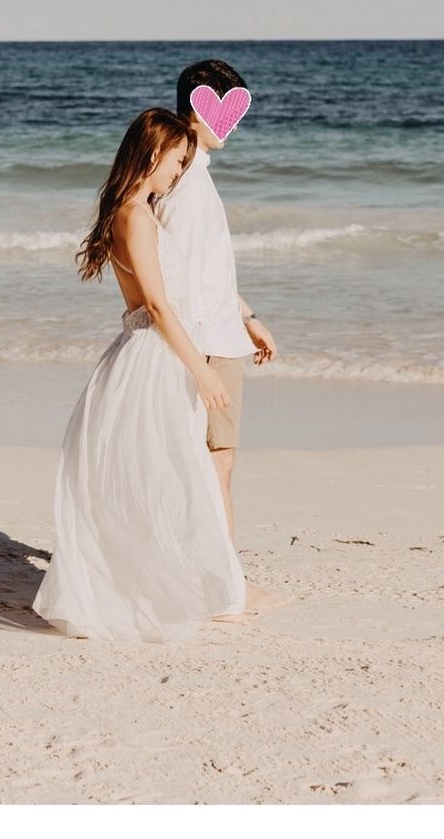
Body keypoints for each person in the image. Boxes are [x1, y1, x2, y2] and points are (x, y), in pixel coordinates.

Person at [31, 107, 255, 642]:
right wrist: (202, 370)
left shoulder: (138, 211)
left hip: (157, 356)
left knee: (165, 476)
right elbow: (156, 305)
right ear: (153, 153)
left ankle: (175, 586)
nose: (179, 172)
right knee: (169, 476)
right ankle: (172, 591)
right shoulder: (134, 216)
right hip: (154, 359)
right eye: (176, 161)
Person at [155, 59, 278, 547]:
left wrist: (247, 316)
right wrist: (202, 363)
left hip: (218, 335)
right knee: (216, 462)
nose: (234, 125)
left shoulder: (189, 175)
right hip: (207, 345)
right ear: (196, 109)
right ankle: (224, 576)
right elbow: (177, 281)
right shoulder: (187, 185)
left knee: (209, 462)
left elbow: (203, 271)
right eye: (227, 112)